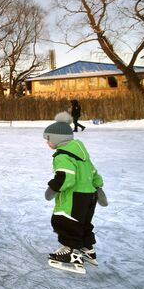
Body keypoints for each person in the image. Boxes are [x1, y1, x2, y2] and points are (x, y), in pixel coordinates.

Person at [43, 111, 108, 270]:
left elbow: (66, 177)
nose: (47, 143)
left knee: (65, 222)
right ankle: (88, 250)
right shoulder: (82, 155)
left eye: (48, 139)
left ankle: (70, 252)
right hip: (89, 197)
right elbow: (94, 173)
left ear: (58, 139)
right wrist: (99, 190)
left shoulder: (63, 156)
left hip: (74, 197)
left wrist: (52, 189)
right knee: (83, 223)